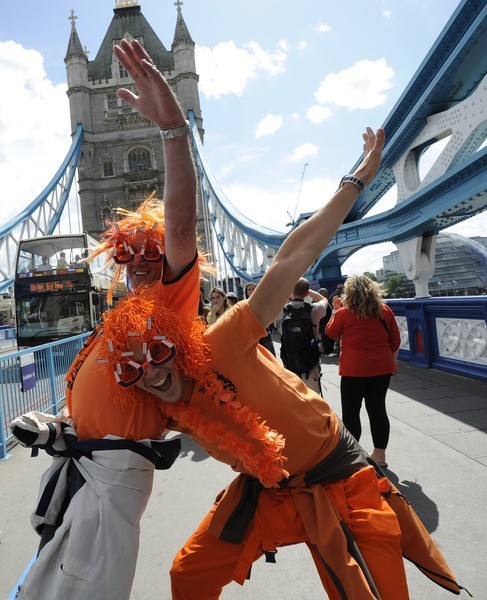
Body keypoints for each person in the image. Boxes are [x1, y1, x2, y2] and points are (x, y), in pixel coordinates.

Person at [92, 126, 461, 598]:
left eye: (159, 352)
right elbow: (98, 427)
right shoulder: (158, 407)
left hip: (341, 477)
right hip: (268, 490)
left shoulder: (221, 342)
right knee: (189, 574)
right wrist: (56, 428)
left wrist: (359, 177)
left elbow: (292, 258)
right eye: (131, 368)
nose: (151, 372)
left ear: (178, 345)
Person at [11, 38, 210, 600]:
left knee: (81, 590)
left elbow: (179, 224)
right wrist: (54, 425)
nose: (143, 268)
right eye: (129, 259)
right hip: (80, 464)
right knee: (47, 588)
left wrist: (172, 131)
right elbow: (105, 397)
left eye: (153, 259)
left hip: (111, 477)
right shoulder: (120, 315)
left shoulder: (169, 304)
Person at [325, 275, 400, 468]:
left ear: (348, 293)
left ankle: (354, 455)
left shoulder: (344, 313)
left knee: (351, 412)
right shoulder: (385, 311)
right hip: (381, 369)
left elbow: (331, 334)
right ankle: (380, 456)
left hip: (353, 370)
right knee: (378, 410)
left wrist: (334, 311)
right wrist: (393, 362)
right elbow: (395, 341)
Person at [274, 278, 327, 394]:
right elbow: (324, 299)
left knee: (295, 398)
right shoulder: (314, 309)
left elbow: (276, 326)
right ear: (307, 293)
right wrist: (309, 290)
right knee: (314, 398)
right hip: (311, 363)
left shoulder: (282, 311)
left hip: (290, 361)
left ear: (290, 292)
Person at [244, 282, 276, 356]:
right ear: (247, 293)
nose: (251, 291)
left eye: (253, 288)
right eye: (249, 290)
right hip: (253, 338)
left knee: (270, 358)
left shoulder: (264, 302)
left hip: (265, 335)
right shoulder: (244, 305)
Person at [318, 286, 336, 356]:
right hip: (324, 323)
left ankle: (329, 351)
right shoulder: (322, 302)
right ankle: (328, 352)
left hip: (327, 322)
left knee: (328, 338)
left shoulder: (324, 301)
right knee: (326, 339)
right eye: (325, 293)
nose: (327, 294)